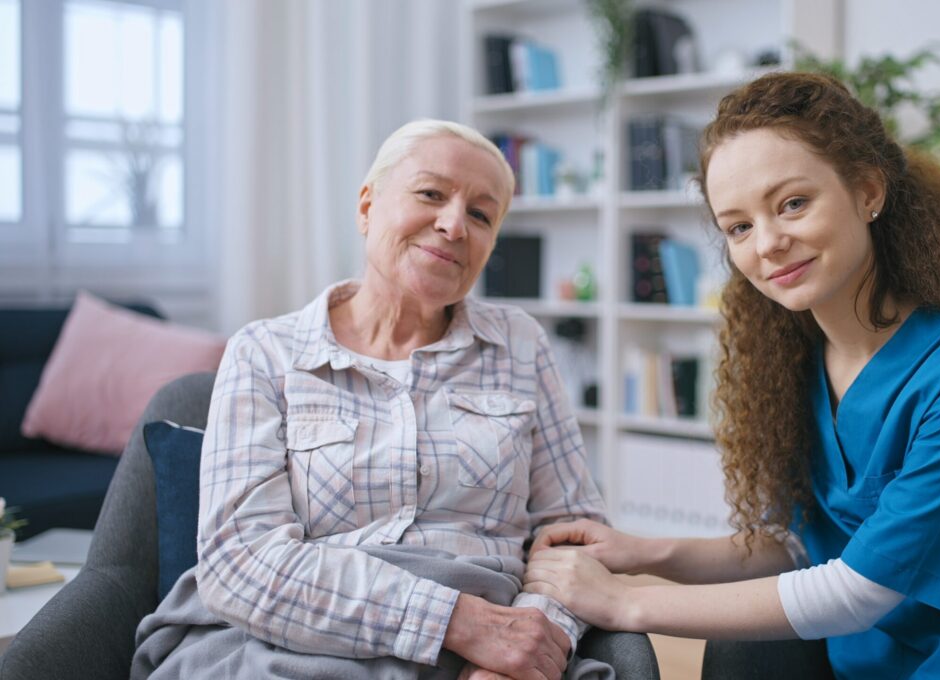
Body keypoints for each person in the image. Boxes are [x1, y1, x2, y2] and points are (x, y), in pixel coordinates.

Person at [523, 72, 940, 678]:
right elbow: (802, 546)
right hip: (860, 652)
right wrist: (641, 552)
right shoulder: (804, 359)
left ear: (868, 191)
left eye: (792, 204)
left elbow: (860, 589)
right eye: (738, 226)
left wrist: (625, 600)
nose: (767, 243)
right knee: (747, 648)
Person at [131, 120, 609, 680]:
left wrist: (529, 642)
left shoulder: (519, 344)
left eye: (481, 215)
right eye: (431, 194)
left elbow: (573, 536)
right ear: (367, 207)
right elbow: (240, 562)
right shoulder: (264, 352)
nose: (454, 224)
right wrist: (459, 623)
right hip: (298, 640)